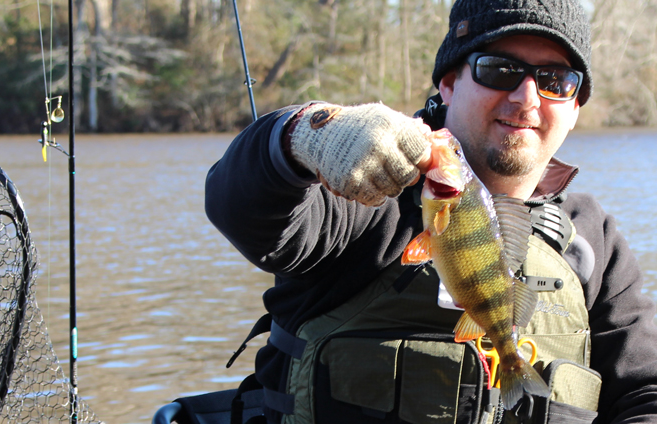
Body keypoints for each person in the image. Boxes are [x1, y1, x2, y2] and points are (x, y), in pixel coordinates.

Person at [205, 0, 657, 423]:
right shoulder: (365, 191)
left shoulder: (591, 238)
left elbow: (644, 390)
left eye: (554, 81)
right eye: (499, 70)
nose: (526, 98)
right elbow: (241, 209)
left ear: (575, 106)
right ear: (449, 82)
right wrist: (303, 135)